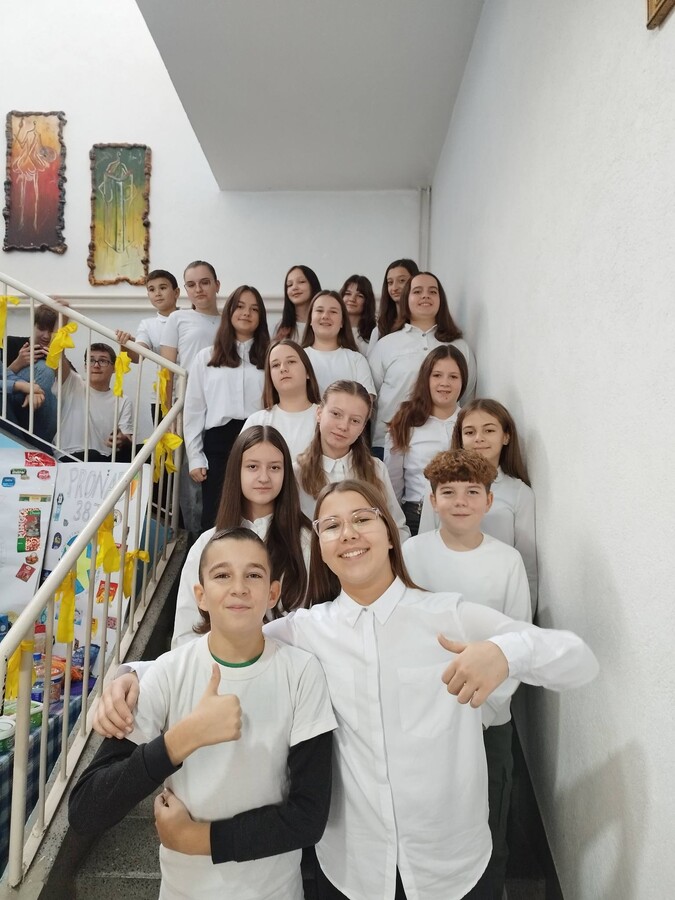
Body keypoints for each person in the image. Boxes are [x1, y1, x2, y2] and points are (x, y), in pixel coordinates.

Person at [93, 480, 598, 900]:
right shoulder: (307, 630)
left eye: (362, 518)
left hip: (454, 866)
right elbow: (228, 644)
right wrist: (131, 674)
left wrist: (505, 653)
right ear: (321, 547)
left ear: (389, 534)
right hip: (352, 872)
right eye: (331, 525)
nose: (348, 533)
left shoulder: (450, 615)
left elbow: (578, 660)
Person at [69, 528, 336, 900]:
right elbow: (86, 809)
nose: (239, 588)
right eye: (222, 575)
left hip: (275, 891)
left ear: (272, 593)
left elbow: (308, 817)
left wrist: (199, 838)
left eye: (253, 574)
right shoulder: (166, 673)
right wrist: (182, 739)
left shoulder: (302, 672)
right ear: (201, 595)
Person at [402, 449, 531, 899]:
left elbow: (518, 640)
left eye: (472, 492)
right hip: (426, 715)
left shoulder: (507, 561)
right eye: (449, 492)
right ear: (432, 500)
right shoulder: (411, 555)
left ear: (489, 501)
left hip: (488, 717)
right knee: (430, 820)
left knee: (489, 818)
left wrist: (483, 706)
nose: (460, 501)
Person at [173, 425, 312, 647]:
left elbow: (313, 624)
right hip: (215, 665)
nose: (264, 477)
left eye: (274, 467)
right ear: (236, 471)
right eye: (252, 466)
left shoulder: (306, 541)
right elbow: (186, 631)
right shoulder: (206, 544)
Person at [418, 399, 538, 613]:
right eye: (470, 432)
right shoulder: (439, 486)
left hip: (495, 599)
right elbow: (425, 544)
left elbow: (527, 567)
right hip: (443, 596)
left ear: (506, 436)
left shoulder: (520, 493)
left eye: (489, 430)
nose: (479, 438)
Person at [183, 285, 269, 530]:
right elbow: (194, 409)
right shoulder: (206, 357)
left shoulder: (270, 356)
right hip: (218, 444)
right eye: (240, 306)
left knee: (256, 512)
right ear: (229, 311)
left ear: (261, 317)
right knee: (216, 515)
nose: (246, 313)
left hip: (259, 440)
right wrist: (195, 456)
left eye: (254, 309)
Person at [369, 271, 477, 457]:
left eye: (432, 291)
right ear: (406, 299)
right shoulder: (386, 345)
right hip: (390, 442)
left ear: (441, 300)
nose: (425, 296)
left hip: (446, 444)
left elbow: (466, 397)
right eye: (417, 291)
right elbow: (371, 397)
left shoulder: (459, 346)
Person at [294, 380, 409, 542]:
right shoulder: (296, 472)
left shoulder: (376, 468)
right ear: (319, 413)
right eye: (336, 414)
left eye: (355, 420)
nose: (343, 426)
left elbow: (397, 528)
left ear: (362, 427)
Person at [160, 260, 223, 536]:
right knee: (193, 479)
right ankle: (196, 540)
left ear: (216, 285)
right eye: (191, 284)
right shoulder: (178, 319)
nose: (199, 289)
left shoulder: (230, 321)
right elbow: (166, 370)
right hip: (188, 408)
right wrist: (169, 414)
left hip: (223, 410)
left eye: (205, 282)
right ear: (185, 289)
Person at [385, 344, 467, 536]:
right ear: (426, 379)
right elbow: (393, 482)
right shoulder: (405, 422)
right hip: (416, 515)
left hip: (463, 514)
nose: (445, 383)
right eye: (437, 375)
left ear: (463, 381)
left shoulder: (470, 422)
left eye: (453, 377)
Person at [241, 339, 321, 461]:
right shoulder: (257, 421)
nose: (283, 368)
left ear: (308, 372)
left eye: (291, 361)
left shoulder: (325, 418)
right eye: (275, 365)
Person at [55, 343, 133, 462]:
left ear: (114, 367)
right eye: (91, 361)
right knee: (92, 454)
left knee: (145, 450)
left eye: (103, 361)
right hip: (70, 456)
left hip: (105, 461)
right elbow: (57, 354)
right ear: (85, 366)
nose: (96, 365)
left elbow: (127, 439)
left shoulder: (123, 400)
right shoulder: (73, 384)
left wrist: (123, 440)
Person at [3, 302, 66, 440]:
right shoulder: (11, 343)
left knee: (48, 370)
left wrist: (57, 363)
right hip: (12, 404)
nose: (46, 336)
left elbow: (71, 386)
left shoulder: (56, 355)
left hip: (40, 414)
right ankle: (39, 444)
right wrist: (18, 363)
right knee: (44, 369)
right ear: (34, 325)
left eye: (51, 331)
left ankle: (37, 443)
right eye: (42, 329)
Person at [300, 291, 375, 396]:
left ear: (342, 322)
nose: (325, 316)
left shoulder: (357, 360)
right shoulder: (297, 358)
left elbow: (366, 402)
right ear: (310, 320)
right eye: (319, 310)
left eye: (333, 312)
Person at [367, 258, 419, 355]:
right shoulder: (380, 329)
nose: (394, 288)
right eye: (390, 282)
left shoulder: (422, 326)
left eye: (402, 281)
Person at [275, 265, 322, 341]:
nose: (294, 287)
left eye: (301, 282)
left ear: (313, 285)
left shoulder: (324, 323)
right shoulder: (280, 329)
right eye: (290, 285)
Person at [338, 274, 377, 356]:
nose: (352, 299)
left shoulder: (375, 332)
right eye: (348, 293)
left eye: (359, 296)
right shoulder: (333, 328)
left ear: (367, 301)